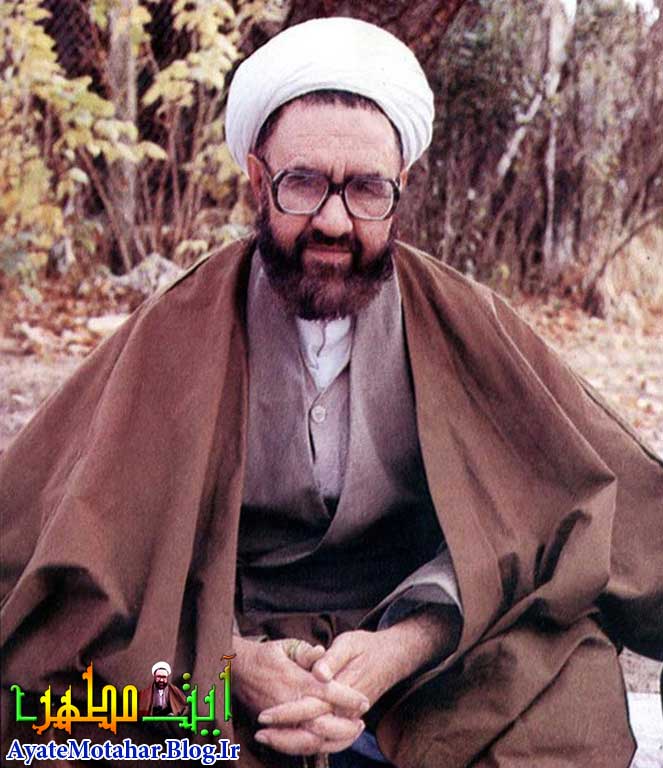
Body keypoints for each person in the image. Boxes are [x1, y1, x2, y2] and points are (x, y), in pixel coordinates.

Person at [1, 16, 662, 768]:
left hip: (425, 641)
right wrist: (228, 661)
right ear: (258, 182)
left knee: (564, 685)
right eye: (304, 183)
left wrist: (404, 643)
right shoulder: (176, 330)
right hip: (216, 639)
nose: (334, 221)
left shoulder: (464, 319)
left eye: (366, 189)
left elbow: (558, 507)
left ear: (400, 190)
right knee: (79, 722)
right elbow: (83, 549)